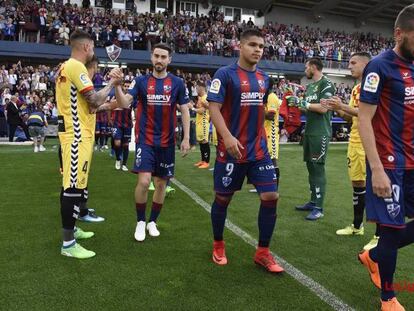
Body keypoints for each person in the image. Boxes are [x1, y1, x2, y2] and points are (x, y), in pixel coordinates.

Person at [207, 29, 283, 273]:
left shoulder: (264, 78)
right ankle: (218, 243)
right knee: (223, 199)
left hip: (258, 150)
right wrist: (227, 136)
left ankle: (263, 252)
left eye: (261, 45)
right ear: (240, 46)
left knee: (271, 197)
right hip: (231, 150)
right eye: (252, 44)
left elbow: (259, 108)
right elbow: (214, 108)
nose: (258, 49)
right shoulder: (224, 74)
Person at [358, 5, 414, 310]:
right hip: (388, 164)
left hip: (413, 160)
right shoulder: (379, 67)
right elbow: (364, 119)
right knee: (392, 228)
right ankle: (388, 298)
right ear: (399, 34)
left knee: (392, 236)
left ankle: (374, 255)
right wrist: (377, 169)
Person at [114, 43, 190, 242]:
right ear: (151, 57)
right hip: (145, 140)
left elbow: (185, 110)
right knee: (144, 181)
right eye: (156, 56)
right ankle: (140, 221)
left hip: (167, 142)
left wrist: (187, 138)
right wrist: (116, 86)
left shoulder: (178, 83)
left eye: (163, 57)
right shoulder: (140, 81)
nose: (159, 60)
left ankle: (152, 221)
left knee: (161, 184)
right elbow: (123, 104)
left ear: (169, 60)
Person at [56, 30, 122, 259]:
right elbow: (93, 99)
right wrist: (112, 84)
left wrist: (108, 104)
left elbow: (89, 107)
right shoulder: (75, 66)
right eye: (92, 47)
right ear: (86, 47)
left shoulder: (67, 67)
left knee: (73, 186)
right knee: (73, 189)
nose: (93, 51)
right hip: (76, 137)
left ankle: (72, 230)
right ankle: (68, 244)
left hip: (77, 134)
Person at [324, 52, 381, 251]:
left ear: (366, 65)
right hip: (354, 141)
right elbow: (352, 118)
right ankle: (357, 226)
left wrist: (343, 107)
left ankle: (379, 235)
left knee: (376, 186)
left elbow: (369, 114)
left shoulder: (374, 85)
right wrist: (336, 108)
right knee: (357, 184)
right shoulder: (357, 88)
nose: (349, 66)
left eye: (353, 62)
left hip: (370, 142)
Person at [288, 58, 336, 220]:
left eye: (306, 67)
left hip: (320, 133)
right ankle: (313, 201)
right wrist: (296, 104)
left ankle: (319, 207)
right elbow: (308, 109)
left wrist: (303, 103)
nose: (305, 70)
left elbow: (323, 108)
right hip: (309, 132)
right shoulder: (310, 87)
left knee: (317, 168)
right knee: (310, 167)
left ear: (314, 67)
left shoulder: (327, 84)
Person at [111, 85, 132, 172]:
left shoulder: (131, 98)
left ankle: (124, 164)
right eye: (125, 86)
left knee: (126, 145)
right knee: (117, 143)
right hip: (117, 123)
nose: (126, 87)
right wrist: (109, 119)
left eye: (128, 86)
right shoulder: (116, 96)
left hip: (127, 124)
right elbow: (110, 106)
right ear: (122, 87)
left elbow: (133, 110)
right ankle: (118, 159)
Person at [192, 81, 210, 169]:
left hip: (203, 122)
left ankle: (207, 161)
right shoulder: (200, 98)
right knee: (200, 141)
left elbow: (202, 111)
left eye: (197, 88)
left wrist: (192, 108)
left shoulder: (205, 98)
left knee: (204, 141)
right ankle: (203, 160)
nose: (196, 89)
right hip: (199, 122)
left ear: (201, 87)